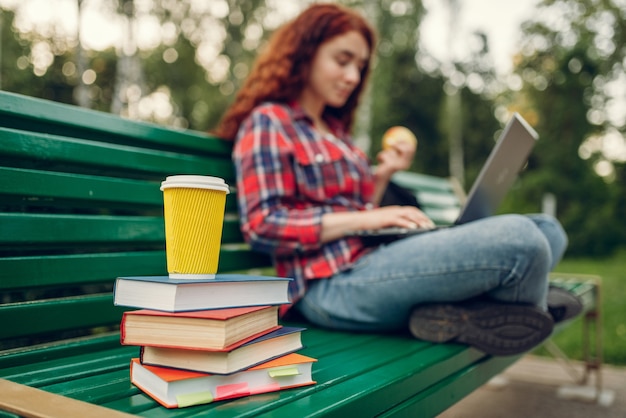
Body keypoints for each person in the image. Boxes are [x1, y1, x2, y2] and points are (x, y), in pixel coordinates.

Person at [215, 3, 580, 356]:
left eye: (359, 66)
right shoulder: (269, 122)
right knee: (524, 242)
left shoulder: (337, 132)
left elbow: (354, 211)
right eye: (342, 61)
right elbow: (263, 225)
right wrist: (367, 218)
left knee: (548, 230)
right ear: (304, 53)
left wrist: (383, 176)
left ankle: (456, 316)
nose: (353, 77)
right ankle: (524, 308)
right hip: (328, 285)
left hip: (375, 261)